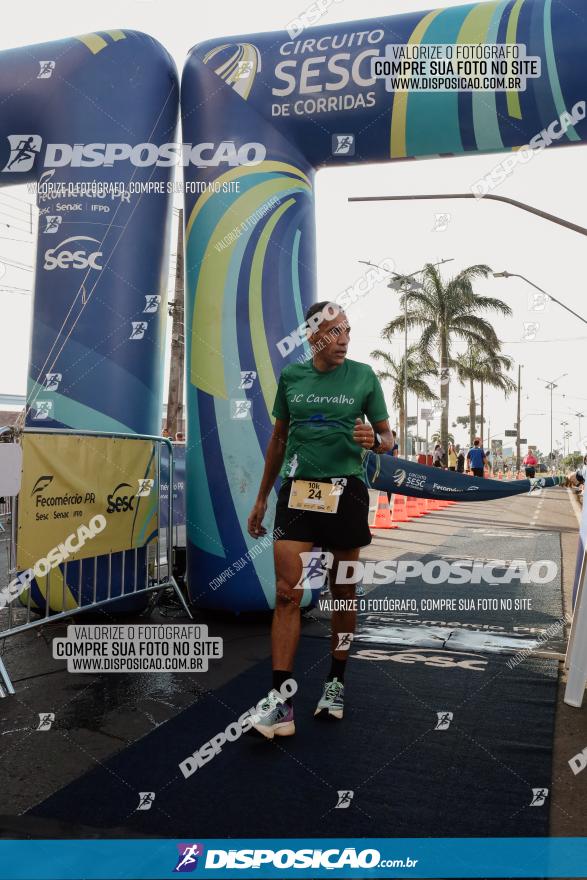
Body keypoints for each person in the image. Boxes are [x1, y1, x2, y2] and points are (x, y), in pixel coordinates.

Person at [247, 301, 393, 737]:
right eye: (332, 332)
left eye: (347, 330)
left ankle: (335, 681)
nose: (343, 339)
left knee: (343, 591)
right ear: (312, 337)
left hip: (345, 491)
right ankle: (281, 703)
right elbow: (278, 439)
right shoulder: (293, 378)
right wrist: (260, 499)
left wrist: (377, 440)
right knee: (287, 594)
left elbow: (388, 436)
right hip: (297, 492)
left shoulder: (364, 377)